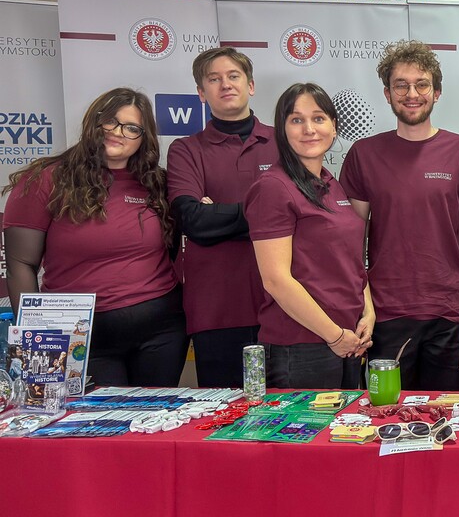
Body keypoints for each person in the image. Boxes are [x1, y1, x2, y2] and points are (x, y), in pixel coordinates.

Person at [2, 88, 187, 386]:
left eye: (132, 128)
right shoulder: (45, 180)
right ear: (94, 122)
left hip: (162, 331)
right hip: (81, 337)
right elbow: (20, 265)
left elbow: (171, 248)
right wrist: (36, 338)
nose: (118, 133)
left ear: (144, 138)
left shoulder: (157, 183)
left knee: (155, 414)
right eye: (111, 121)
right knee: (96, 417)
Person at [341, 41, 459, 390]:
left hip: (450, 313)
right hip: (385, 315)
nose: (412, 94)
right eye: (401, 85)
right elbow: (350, 247)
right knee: (386, 415)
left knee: (448, 416)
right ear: (387, 94)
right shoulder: (364, 154)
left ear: (436, 92)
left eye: (422, 84)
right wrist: (365, 309)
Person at [245, 83, 373, 389]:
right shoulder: (273, 187)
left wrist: (368, 311)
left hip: (348, 339)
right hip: (301, 347)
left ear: (334, 126)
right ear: (282, 129)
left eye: (318, 118)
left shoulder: (331, 183)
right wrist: (335, 336)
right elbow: (276, 280)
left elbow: (352, 261)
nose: (309, 129)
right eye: (296, 120)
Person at [167, 47, 279, 387]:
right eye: (214, 79)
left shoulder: (284, 142)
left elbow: (303, 213)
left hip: (284, 304)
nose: (225, 84)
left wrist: (218, 212)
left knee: (289, 409)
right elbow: (193, 220)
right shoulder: (186, 149)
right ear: (202, 93)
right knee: (226, 412)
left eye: (233, 76)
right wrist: (270, 215)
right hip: (217, 309)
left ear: (251, 85)